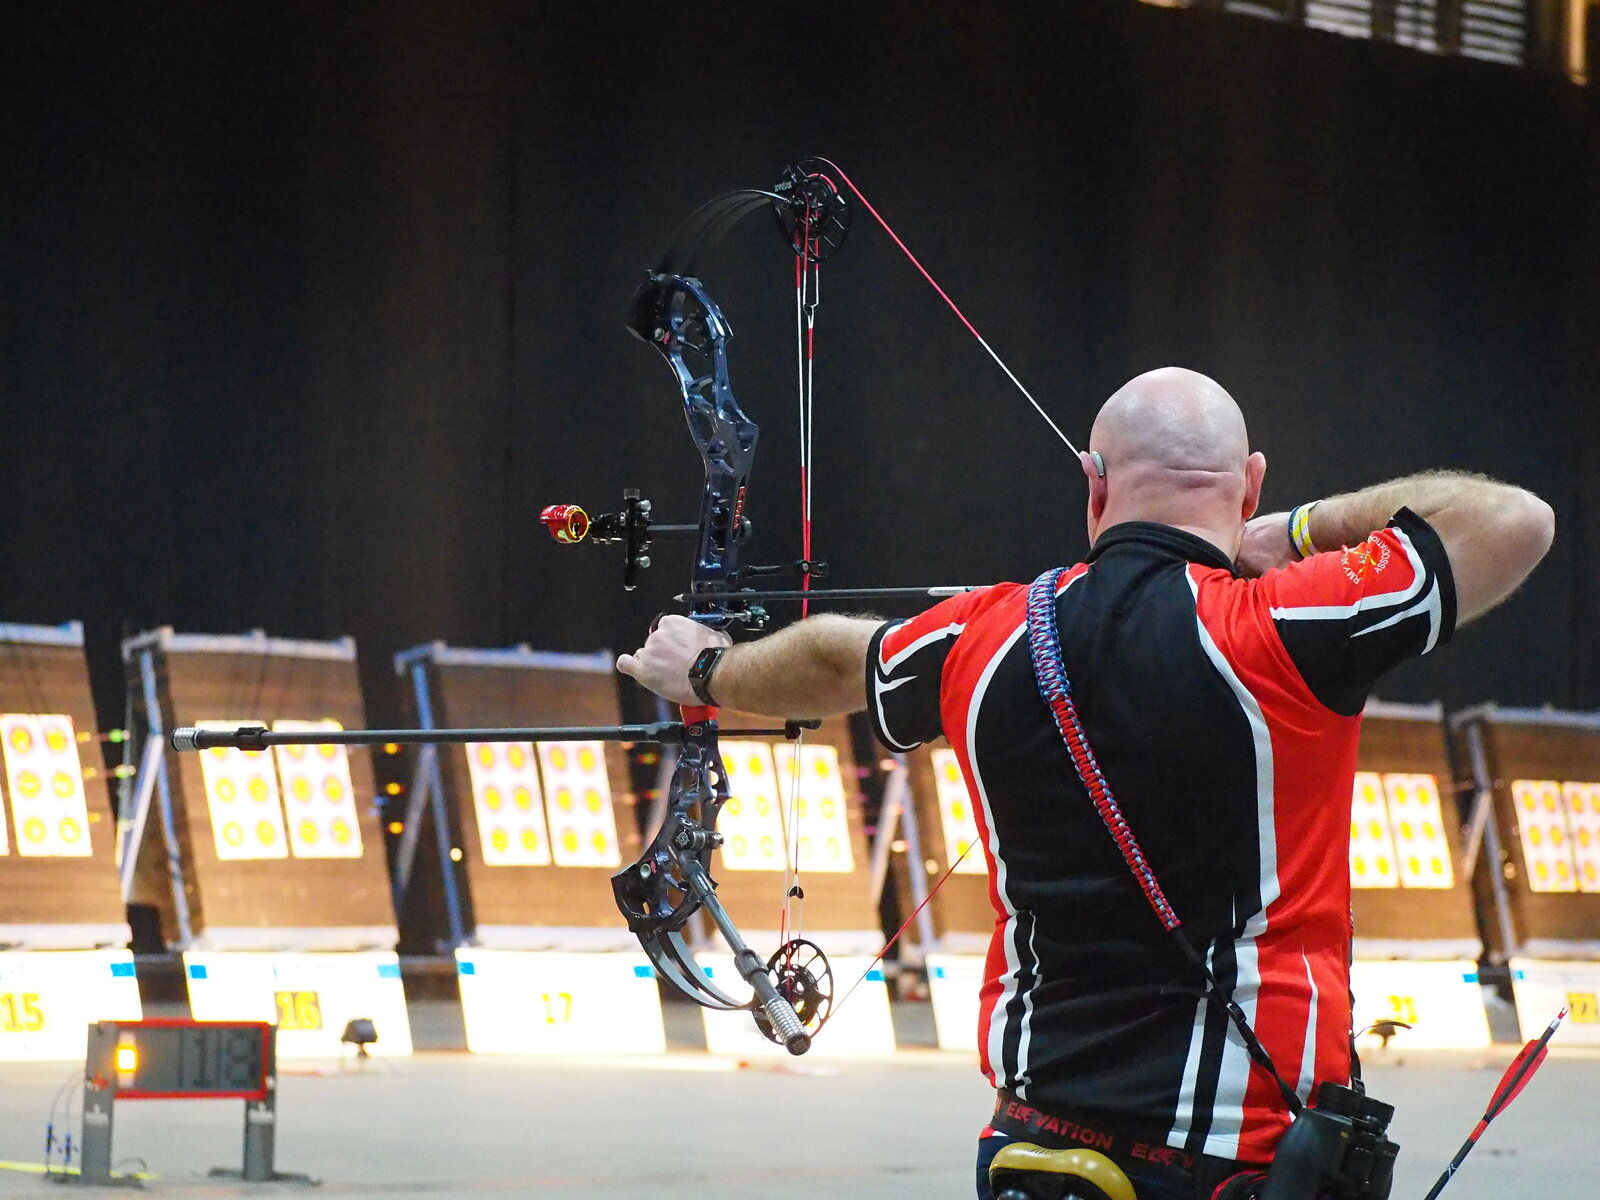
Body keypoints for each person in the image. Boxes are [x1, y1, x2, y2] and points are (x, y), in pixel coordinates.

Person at [617, 367, 1554, 1200]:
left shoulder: (985, 638)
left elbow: (834, 659)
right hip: (1236, 1155)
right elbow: (1515, 522)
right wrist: (1299, 529)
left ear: (1094, 484)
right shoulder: (1285, 626)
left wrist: (707, 671)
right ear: (1251, 483)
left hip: (1034, 1144)